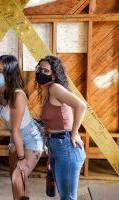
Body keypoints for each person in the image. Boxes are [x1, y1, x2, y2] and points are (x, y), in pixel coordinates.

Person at [0, 55, 44, 200]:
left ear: (10, 73)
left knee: (17, 178)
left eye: (0, 71)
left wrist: (21, 158)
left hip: (31, 138)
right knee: (16, 179)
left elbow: (15, 130)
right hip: (16, 138)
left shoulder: (17, 95)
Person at [35, 55, 86, 200]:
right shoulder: (47, 90)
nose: (41, 73)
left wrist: (75, 133)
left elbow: (81, 106)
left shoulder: (55, 88)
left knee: (68, 197)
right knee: (64, 196)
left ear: (54, 74)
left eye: (45, 71)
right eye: (39, 69)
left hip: (66, 147)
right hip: (56, 146)